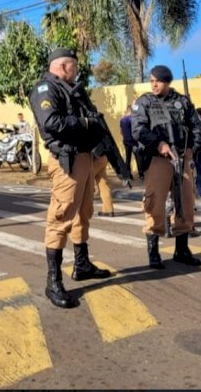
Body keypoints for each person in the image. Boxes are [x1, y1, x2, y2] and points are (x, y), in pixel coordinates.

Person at [28, 48, 111, 309]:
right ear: (63, 66)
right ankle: (53, 282)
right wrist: (85, 123)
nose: (77, 70)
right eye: (74, 66)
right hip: (67, 161)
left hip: (85, 159)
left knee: (83, 213)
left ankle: (82, 264)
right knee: (61, 217)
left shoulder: (72, 89)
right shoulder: (45, 89)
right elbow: (52, 122)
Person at [132, 64, 201, 269]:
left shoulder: (182, 101)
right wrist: (158, 143)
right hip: (158, 160)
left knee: (186, 203)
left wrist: (193, 149)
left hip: (181, 158)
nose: (154, 84)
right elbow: (138, 130)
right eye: (151, 80)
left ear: (167, 82)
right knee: (154, 203)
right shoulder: (145, 102)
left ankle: (182, 249)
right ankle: (153, 252)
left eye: (158, 81)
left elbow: (196, 126)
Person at [119, 105, 135, 180]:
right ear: (131, 110)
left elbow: (121, 131)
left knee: (128, 158)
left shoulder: (122, 119)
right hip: (133, 141)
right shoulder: (131, 119)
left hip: (125, 140)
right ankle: (141, 173)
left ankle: (128, 174)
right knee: (139, 156)